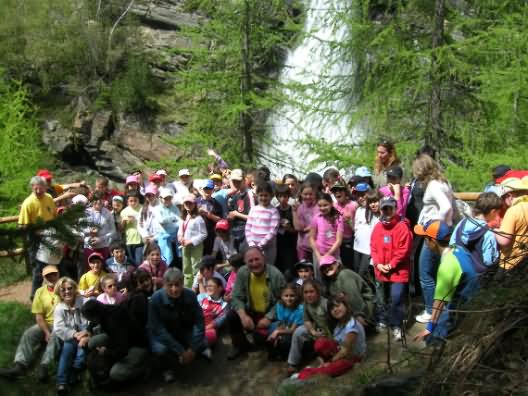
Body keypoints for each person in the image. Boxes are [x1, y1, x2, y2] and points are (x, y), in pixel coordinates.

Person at [413, 220, 486, 343]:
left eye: (426, 238)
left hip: (462, 308)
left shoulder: (447, 265)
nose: (425, 242)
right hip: (473, 302)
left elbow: (439, 302)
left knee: (432, 339)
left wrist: (430, 328)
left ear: (433, 241)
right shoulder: (458, 249)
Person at [412, 154, 454, 323]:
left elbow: (446, 206)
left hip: (434, 234)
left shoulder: (434, 185)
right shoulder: (444, 182)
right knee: (438, 271)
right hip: (438, 232)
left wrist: (439, 225)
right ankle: (440, 309)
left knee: (425, 272)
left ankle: (431, 311)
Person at [0, 265, 60, 382]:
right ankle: (19, 366)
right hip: (46, 323)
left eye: (54, 274)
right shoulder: (39, 292)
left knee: (55, 337)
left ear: (58, 274)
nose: (52, 277)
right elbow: (39, 316)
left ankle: (44, 367)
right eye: (48, 275)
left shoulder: (65, 287)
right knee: (29, 333)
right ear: (43, 278)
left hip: (61, 325)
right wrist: (46, 332)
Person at [148, 268, 206, 383]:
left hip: (181, 329)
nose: (174, 289)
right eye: (170, 285)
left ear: (183, 283)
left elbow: (200, 322)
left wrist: (192, 350)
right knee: (161, 350)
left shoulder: (190, 295)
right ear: (164, 285)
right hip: (161, 334)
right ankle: (167, 368)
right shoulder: (155, 299)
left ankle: (186, 355)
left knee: (203, 342)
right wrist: (181, 351)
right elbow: (158, 329)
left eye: (177, 285)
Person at [227, 247, 286, 360]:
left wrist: (269, 318)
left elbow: (282, 301)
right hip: (251, 311)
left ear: (263, 258)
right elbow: (236, 296)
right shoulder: (242, 272)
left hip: (270, 314)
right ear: (245, 262)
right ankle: (239, 345)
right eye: (250, 261)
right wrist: (243, 316)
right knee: (231, 315)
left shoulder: (276, 275)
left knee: (268, 345)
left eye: (257, 259)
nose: (254, 263)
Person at [370, 196, 413, 340]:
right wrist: (378, 263)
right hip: (381, 268)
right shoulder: (378, 226)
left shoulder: (402, 226)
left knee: (396, 298)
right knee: (381, 297)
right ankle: (382, 319)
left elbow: (404, 249)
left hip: (398, 270)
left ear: (395, 209)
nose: (387, 211)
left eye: (390, 208)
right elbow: (373, 247)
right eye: (385, 208)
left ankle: (397, 324)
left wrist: (391, 264)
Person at [295, 295, 366, 381]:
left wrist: (330, 362)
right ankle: (317, 368)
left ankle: (306, 373)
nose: (335, 310)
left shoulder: (352, 325)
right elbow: (335, 343)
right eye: (332, 309)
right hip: (340, 352)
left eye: (338, 305)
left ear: (346, 306)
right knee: (320, 343)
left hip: (351, 357)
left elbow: (345, 351)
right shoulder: (339, 325)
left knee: (330, 370)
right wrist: (323, 358)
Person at [81, 299, 149, 387]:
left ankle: (143, 368)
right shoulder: (105, 310)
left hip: (136, 345)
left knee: (116, 373)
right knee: (92, 342)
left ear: (95, 315)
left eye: (90, 318)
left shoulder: (113, 321)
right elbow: (92, 323)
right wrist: (88, 331)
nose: (91, 321)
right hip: (117, 338)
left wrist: (106, 352)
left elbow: (123, 350)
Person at [18, 176, 58, 299]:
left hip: (50, 234)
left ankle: (55, 292)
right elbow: (22, 225)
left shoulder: (49, 198)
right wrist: (36, 230)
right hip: (35, 237)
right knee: (38, 267)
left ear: (45, 187)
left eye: (41, 189)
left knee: (55, 264)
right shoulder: (28, 203)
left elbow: (54, 216)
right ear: (32, 188)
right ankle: (34, 296)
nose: (38, 191)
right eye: (36, 189)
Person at [53, 277, 90, 395]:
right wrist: (74, 334)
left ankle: (75, 370)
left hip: (85, 334)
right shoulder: (59, 308)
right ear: (59, 292)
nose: (67, 292)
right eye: (63, 290)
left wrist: (86, 333)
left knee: (82, 350)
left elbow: (92, 320)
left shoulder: (84, 302)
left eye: (70, 288)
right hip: (70, 337)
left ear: (75, 289)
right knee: (67, 349)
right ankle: (62, 383)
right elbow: (59, 328)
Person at [287, 280, 330, 374]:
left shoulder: (326, 304)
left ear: (318, 292)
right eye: (306, 292)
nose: (308, 295)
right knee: (298, 332)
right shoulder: (306, 304)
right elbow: (306, 320)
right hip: (316, 330)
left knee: (322, 344)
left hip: (329, 333)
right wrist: (312, 331)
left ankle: (325, 358)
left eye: (311, 291)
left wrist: (323, 334)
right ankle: (292, 363)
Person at [450, 192, 502, 270]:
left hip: (458, 271)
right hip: (479, 277)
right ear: (493, 212)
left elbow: (452, 244)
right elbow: (489, 261)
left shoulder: (462, 223)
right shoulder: (488, 233)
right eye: (497, 213)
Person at [320, 256, 374, 324]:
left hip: (363, 310)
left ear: (337, 264)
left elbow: (354, 297)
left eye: (329, 265)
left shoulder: (345, 274)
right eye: (323, 268)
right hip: (348, 313)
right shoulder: (331, 282)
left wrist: (359, 315)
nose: (326, 268)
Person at [259, 284, 304, 360]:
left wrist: (278, 332)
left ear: (297, 297)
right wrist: (277, 333)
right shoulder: (280, 304)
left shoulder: (300, 308)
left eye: (292, 296)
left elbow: (292, 330)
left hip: (295, 329)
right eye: (286, 296)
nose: (289, 298)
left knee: (284, 339)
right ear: (281, 296)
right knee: (272, 328)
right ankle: (274, 350)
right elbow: (282, 322)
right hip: (286, 325)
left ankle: (285, 353)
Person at [495, 178, 528, 270]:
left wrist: (494, 231)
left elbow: (504, 241)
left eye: (502, 198)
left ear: (509, 196)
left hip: (511, 264)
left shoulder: (513, 211)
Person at [245, 181, 280, 266]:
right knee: (255, 268)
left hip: (268, 249)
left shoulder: (274, 211)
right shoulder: (253, 209)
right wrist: (251, 244)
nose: (263, 198)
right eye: (261, 195)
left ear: (271, 196)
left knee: (267, 269)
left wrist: (260, 245)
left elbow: (273, 231)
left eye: (266, 195)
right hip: (253, 247)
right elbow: (248, 228)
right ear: (257, 196)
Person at [178, 194, 208, 288]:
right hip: (185, 245)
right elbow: (180, 230)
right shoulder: (183, 217)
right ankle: (187, 287)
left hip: (195, 246)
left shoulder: (198, 218)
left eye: (190, 203)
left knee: (196, 267)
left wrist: (191, 241)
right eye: (186, 203)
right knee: (186, 267)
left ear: (194, 204)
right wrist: (180, 237)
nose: (188, 205)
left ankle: (197, 288)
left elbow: (204, 234)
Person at [309, 193, 344, 273]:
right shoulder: (316, 217)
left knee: (335, 277)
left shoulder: (338, 218)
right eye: (320, 206)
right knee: (320, 279)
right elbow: (311, 238)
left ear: (331, 204)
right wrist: (318, 256)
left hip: (333, 254)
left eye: (325, 205)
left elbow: (339, 240)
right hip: (318, 255)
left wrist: (328, 255)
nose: (322, 208)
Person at [82, 191, 117, 269]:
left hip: (103, 246)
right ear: (92, 201)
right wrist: (88, 233)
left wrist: (101, 238)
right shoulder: (86, 212)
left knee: (102, 269)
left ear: (103, 201)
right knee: (89, 269)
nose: (98, 202)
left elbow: (113, 230)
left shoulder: (107, 213)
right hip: (89, 246)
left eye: (100, 200)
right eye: (96, 200)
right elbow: (80, 229)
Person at [353, 188, 381, 279]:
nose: (361, 198)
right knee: (357, 273)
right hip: (357, 247)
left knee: (364, 275)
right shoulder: (360, 211)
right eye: (358, 195)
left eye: (364, 195)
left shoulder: (381, 216)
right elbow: (356, 228)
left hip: (368, 250)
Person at [197, 277, 228, 357]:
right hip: (194, 323)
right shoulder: (202, 297)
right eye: (207, 286)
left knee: (212, 336)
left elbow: (220, 320)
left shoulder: (224, 305)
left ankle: (198, 346)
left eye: (211, 286)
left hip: (208, 327)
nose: (208, 288)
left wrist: (206, 327)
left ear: (220, 288)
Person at [330, 180, 358, 270]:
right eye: (335, 191)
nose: (337, 192)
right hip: (336, 242)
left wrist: (349, 222)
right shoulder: (333, 206)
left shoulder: (354, 205)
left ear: (345, 191)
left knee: (348, 266)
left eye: (340, 190)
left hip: (349, 242)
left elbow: (358, 228)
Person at [152, 187, 181, 267]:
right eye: (165, 198)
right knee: (165, 260)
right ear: (160, 198)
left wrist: (170, 221)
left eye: (169, 198)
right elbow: (161, 221)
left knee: (177, 259)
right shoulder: (156, 209)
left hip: (175, 238)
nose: (167, 200)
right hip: (164, 238)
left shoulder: (175, 208)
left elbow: (180, 221)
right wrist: (173, 219)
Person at [227, 169, 254, 251]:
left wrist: (236, 214)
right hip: (236, 233)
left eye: (238, 181)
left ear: (244, 180)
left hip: (248, 233)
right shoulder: (236, 196)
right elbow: (230, 213)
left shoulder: (250, 195)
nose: (236, 183)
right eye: (234, 181)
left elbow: (253, 217)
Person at [275, 184, 298, 279]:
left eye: (285, 196)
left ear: (288, 197)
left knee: (288, 272)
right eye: (280, 196)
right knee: (279, 269)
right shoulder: (275, 210)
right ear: (277, 197)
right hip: (278, 245)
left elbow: (297, 230)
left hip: (290, 245)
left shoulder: (293, 210)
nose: (283, 199)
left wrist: (289, 229)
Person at [292, 182, 319, 261]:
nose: (308, 196)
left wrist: (305, 229)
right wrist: (294, 211)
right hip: (302, 246)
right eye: (305, 194)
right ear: (301, 194)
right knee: (304, 270)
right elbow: (297, 227)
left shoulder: (318, 207)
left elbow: (318, 224)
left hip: (316, 246)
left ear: (315, 194)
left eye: (311, 194)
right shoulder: (298, 207)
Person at [197, 179, 222, 255]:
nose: (207, 190)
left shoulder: (216, 203)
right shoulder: (195, 201)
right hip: (197, 233)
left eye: (209, 189)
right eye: (205, 188)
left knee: (209, 254)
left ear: (212, 190)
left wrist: (210, 216)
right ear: (202, 189)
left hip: (211, 234)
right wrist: (197, 212)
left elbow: (219, 220)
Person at [120, 192, 144, 265]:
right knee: (131, 262)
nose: (133, 203)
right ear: (127, 201)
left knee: (138, 261)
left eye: (135, 200)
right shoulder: (124, 211)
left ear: (138, 200)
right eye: (131, 201)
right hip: (129, 240)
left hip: (140, 240)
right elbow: (121, 229)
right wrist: (124, 221)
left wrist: (136, 220)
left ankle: (139, 275)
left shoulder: (143, 209)